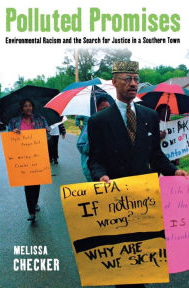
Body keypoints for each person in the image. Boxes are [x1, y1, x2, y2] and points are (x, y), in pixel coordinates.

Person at [88, 61, 188, 288]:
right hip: (117, 200)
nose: (133, 84)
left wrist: (174, 171)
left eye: (136, 79)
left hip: (145, 197)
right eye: (127, 79)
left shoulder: (149, 116)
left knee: (144, 253)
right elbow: (95, 159)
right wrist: (100, 175)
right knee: (124, 257)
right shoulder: (99, 121)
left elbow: (156, 155)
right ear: (114, 82)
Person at [8, 98, 50, 223]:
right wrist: (13, 133)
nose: (28, 108)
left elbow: (48, 134)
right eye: (25, 106)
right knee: (28, 184)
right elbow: (8, 136)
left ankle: (35, 202)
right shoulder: (14, 121)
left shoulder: (40, 119)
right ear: (21, 108)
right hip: (23, 158)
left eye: (30, 105)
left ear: (33, 107)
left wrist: (41, 135)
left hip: (37, 155)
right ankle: (31, 211)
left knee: (36, 183)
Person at [77, 97, 110, 181]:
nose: (107, 111)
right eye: (104, 108)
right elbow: (80, 145)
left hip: (109, 169)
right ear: (97, 109)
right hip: (91, 170)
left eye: (109, 108)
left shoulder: (111, 125)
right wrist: (94, 143)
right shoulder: (89, 126)